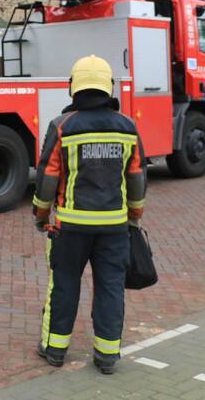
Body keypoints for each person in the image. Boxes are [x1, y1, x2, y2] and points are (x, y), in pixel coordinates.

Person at [33, 55, 146, 375]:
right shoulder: (128, 127)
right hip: (114, 226)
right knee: (111, 286)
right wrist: (135, 214)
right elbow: (136, 176)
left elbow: (47, 177)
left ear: (75, 87)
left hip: (70, 226)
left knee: (65, 284)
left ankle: (55, 349)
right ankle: (107, 355)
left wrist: (41, 215)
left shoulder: (62, 126)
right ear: (107, 87)